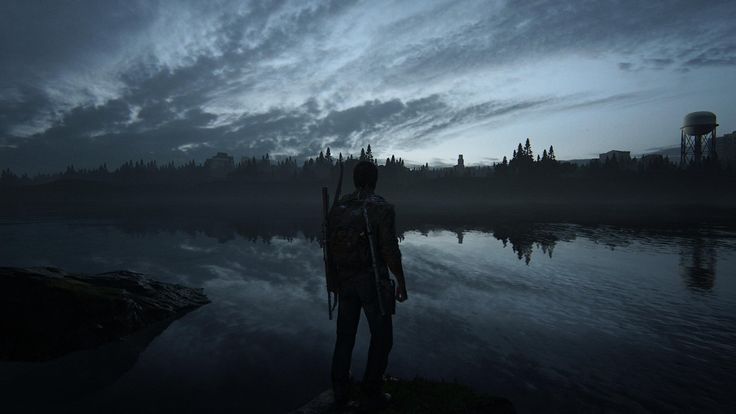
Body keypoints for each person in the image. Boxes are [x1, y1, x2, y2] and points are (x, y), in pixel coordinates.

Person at [328, 160, 408, 410]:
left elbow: (329, 246)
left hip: (345, 280)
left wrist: (333, 279)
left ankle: (340, 388)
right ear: (375, 180)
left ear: (354, 180)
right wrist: (401, 282)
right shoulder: (380, 208)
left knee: (344, 337)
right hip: (372, 282)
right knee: (383, 338)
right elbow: (390, 251)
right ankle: (371, 390)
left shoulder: (339, 207)